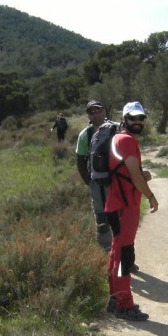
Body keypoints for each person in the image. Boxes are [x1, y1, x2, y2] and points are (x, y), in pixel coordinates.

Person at [105, 101, 159, 321]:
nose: (137, 122)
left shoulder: (120, 138)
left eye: (141, 118)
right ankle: (124, 304)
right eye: (133, 118)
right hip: (124, 207)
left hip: (118, 204)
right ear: (124, 119)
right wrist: (151, 196)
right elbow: (134, 176)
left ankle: (114, 298)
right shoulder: (126, 140)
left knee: (117, 252)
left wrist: (139, 175)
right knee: (124, 256)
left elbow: (130, 172)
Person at [75, 100, 113, 251]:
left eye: (98, 110)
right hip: (96, 182)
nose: (96, 114)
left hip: (117, 180)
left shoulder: (116, 128)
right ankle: (106, 250)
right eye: (92, 112)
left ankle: (125, 255)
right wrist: (89, 181)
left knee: (121, 216)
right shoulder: (85, 135)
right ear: (88, 116)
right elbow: (80, 160)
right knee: (101, 215)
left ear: (104, 111)